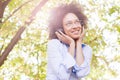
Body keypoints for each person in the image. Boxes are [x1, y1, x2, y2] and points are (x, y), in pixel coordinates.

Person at [46, 2, 92, 80]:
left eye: (77, 22)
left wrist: (79, 43)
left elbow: (82, 73)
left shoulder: (86, 49)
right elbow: (63, 76)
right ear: (60, 29)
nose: (75, 26)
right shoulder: (54, 44)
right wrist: (72, 44)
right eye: (68, 24)